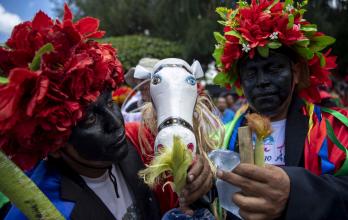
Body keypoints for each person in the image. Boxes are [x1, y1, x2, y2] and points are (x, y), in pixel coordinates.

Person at [0, 5, 212, 219]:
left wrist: (201, 173)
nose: (115, 122)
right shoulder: (38, 208)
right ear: (54, 143)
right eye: (90, 118)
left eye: (110, 103)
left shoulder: (140, 139)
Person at [212, 1, 348, 220]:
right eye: (251, 74)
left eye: (274, 68)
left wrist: (295, 191)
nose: (262, 82)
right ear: (240, 82)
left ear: (295, 72)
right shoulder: (222, 136)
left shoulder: (337, 131)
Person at [122, 58, 159, 123]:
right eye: (138, 79)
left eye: (145, 79)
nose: (141, 85)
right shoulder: (131, 108)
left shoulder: (168, 109)